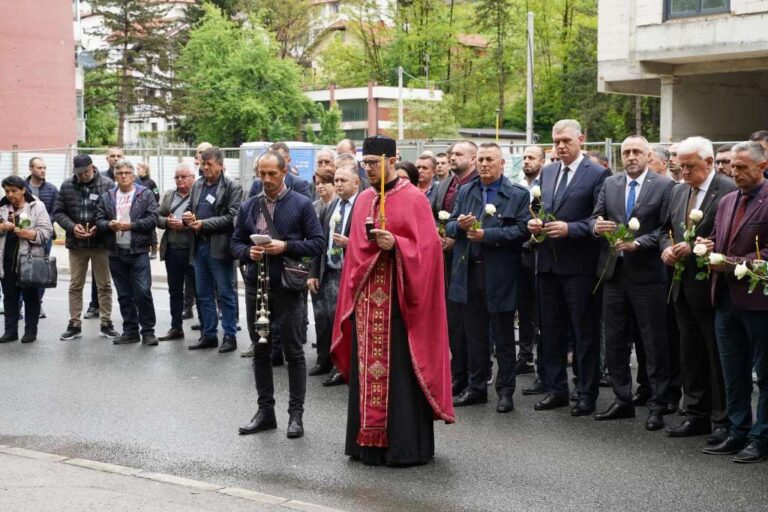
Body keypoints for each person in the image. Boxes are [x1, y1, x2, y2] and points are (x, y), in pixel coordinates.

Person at [330, 135, 455, 466]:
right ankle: (367, 446)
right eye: (365, 164)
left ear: (391, 160)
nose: (369, 169)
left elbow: (429, 251)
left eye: (374, 163)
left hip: (400, 307)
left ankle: (404, 448)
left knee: (400, 379)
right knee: (366, 376)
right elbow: (356, 253)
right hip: (366, 308)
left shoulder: (414, 199)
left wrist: (397, 244)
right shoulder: (363, 199)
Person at [233, 150, 324, 439]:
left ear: (285, 172)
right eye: (262, 173)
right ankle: (265, 413)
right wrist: (248, 252)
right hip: (256, 287)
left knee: (294, 352)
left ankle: (296, 415)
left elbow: (318, 243)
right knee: (260, 350)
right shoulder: (249, 205)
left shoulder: (301, 204)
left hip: (288, 287)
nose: (267, 179)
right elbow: (235, 243)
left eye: (272, 173)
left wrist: (285, 246)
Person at [590, 135, 675, 430]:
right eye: (626, 152)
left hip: (648, 275)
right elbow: (595, 217)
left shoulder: (664, 185)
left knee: (653, 342)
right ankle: (622, 399)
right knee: (615, 339)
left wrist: (638, 244)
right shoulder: (611, 183)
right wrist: (597, 227)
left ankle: (657, 404)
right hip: (614, 274)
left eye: (636, 151)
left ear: (648, 154)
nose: (630, 156)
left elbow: (665, 228)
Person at [527, 119, 611, 416]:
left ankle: (586, 392)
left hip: (580, 266)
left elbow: (600, 219)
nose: (561, 146)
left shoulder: (598, 174)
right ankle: (556, 389)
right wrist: (536, 223)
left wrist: (570, 229)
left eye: (566, 141)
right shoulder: (548, 172)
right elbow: (541, 209)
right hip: (548, 265)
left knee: (584, 332)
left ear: (581, 140)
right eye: (556, 141)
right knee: (550, 331)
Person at [660, 136, 736, 444]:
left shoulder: (728, 190)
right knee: (689, 352)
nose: (685, 172)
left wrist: (698, 248)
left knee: (715, 354)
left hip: (712, 287)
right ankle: (695, 413)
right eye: (681, 166)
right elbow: (665, 229)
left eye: (690, 166)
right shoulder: (679, 190)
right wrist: (666, 249)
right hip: (682, 284)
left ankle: (722, 418)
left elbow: (729, 239)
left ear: (709, 162)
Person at [698, 140, 768, 463]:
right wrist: (707, 245)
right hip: (725, 301)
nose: (733, 172)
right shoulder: (727, 201)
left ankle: (761, 438)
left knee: (764, 375)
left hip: (758, 304)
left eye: (741, 167)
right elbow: (720, 238)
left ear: (762, 166)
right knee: (733, 372)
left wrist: (731, 263)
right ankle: (737, 431)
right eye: (731, 166)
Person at [447, 143, 530, 413]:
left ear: (502, 163)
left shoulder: (517, 194)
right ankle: (476, 387)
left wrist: (488, 235)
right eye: (481, 159)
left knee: (503, 336)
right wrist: (459, 226)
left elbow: (522, 231)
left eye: (489, 160)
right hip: (469, 272)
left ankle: (505, 391)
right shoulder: (466, 190)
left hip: (499, 273)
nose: (484, 164)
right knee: (475, 334)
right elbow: (449, 226)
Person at [183, 147, 242, 353]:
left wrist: (204, 224)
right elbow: (189, 208)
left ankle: (230, 336)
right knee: (203, 294)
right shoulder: (198, 184)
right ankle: (209, 335)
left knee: (225, 294)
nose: (205, 168)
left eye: (209, 164)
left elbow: (232, 217)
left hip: (220, 248)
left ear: (221, 165)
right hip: (199, 247)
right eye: (203, 164)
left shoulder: (232, 186)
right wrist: (187, 217)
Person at [53, 155, 118, 340]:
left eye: (85, 171)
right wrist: (72, 227)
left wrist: (100, 226)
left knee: (104, 285)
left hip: (101, 244)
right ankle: (74, 324)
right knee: (75, 285)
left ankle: (106, 323)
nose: (82, 175)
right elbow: (58, 212)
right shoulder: (67, 185)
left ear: (92, 167)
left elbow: (113, 212)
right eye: (79, 173)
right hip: (77, 244)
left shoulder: (107, 184)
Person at [431, 140, 478, 396]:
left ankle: (475, 376)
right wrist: (439, 237)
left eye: (458, 154)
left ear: (473, 159)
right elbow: (434, 214)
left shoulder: (479, 183)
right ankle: (458, 373)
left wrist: (454, 239)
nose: (452, 158)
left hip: (469, 258)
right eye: (452, 154)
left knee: (472, 323)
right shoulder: (444, 184)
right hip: (445, 259)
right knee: (453, 322)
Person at [96, 160, 159, 346]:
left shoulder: (144, 194)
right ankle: (130, 331)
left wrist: (131, 225)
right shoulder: (107, 196)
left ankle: (148, 331)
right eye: (120, 173)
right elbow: (99, 220)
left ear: (133, 175)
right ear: (115, 176)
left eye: (127, 173)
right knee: (124, 294)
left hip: (138, 250)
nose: (123, 176)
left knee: (143, 292)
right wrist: (109, 225)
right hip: (116, 252)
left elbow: (153, 219)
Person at [309, 165, 360, 385]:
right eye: (336, 180)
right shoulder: (330, 207)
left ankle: (343, 366)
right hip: (327, 270)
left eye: (343, 180)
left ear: (356, 183)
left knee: (344, 322)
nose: (338, 184)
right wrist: (313, 273)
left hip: (348, 273)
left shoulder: (362, 207)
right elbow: (319, 242)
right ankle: (324, 359)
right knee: (323, 318)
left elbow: (368, 242)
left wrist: (351, 243)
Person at [0, 176, 53, 343]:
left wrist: (29, 234)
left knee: (31, 297)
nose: (10, 194)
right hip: (6, 260)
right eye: (7, 191)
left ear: (23, 190)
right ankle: (10, 331)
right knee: (9, 296)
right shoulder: (2, 207)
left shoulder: (36, 206)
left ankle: (30, 331)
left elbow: (47, 231)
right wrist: (1, 227)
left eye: (14, 191)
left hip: (30, 260)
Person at [157, 163, 196, 341]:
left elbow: (205, 219)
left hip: (193, 251)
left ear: (192, 178)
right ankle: (176, 328)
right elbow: (157, 216)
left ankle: (207, 330)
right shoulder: (169, 195)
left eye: (183, 177)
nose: (179, 180)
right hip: (172, 250)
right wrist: (167, 222)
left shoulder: (198, 195)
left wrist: (186, 225)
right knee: (175, 291)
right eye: (177, 177)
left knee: (200, 292)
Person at [85, 146, 124, 319]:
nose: (115, 158)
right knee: (99, 273)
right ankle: (95, 305)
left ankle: (131, 308)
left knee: (126, 272)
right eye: (112, 156)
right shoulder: (100, 179)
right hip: (103, 233)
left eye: (118, 156)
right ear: (107, 159)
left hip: (126, 233)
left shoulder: (131, 176)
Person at [517, 145, 544, 378]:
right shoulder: (517, 186)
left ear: (542, 162)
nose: (527, 161)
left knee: (542, 308)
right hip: (520, 252)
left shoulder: (547, 186)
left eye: (532, 157)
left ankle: (544, 360)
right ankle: (525, 356)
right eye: (524, 157)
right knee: (524, 306)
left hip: (540, 251)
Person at [24, 157, 58, 318]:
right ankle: (19, 304)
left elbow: (56, 211)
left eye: (44, 167)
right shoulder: (21, 187)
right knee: (20, 268)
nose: (43, 170)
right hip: (23, 234)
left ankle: (37, 304)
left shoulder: (51, 189)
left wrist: (43, 224)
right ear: (31, 169)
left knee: (41, 270)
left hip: (44, 236)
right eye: (39, 168)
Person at [136, 162, 160, 259]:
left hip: (149, 209)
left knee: (151, 229)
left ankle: (154, 251)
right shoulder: (136, 182)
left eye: (139, 169)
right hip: (139, 209)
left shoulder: (151, 182)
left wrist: (152, 206)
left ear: (145, 170)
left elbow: (157, 195)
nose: (137, 171)